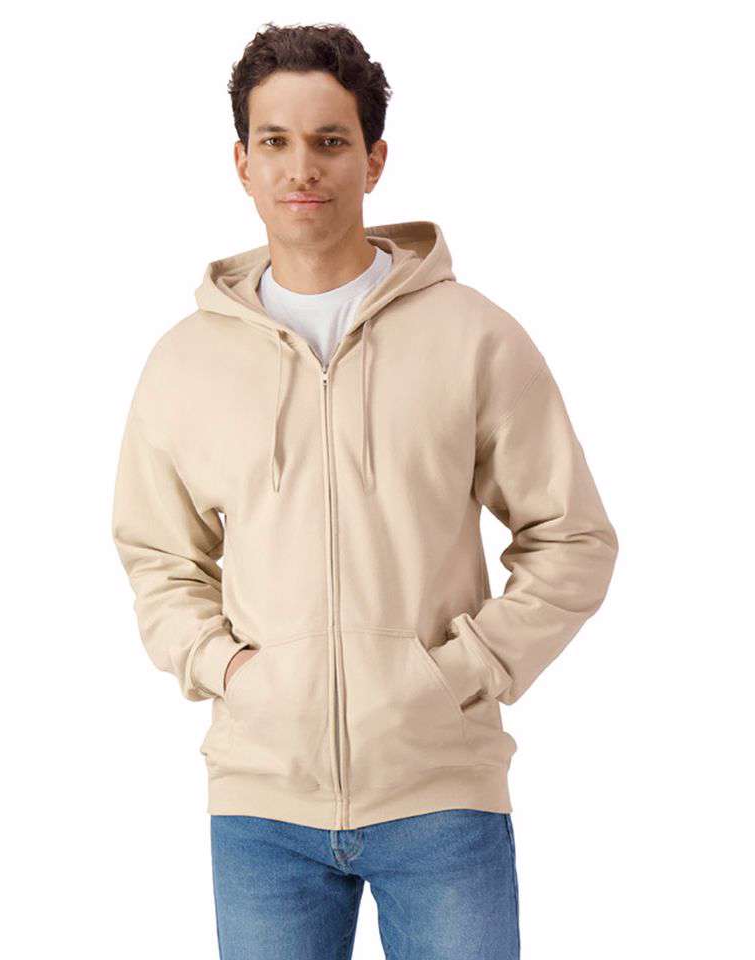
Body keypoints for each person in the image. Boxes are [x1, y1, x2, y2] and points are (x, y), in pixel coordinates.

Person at [111, 21, 619, 960]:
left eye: (330, 141)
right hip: (262, 807)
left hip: (441, 797)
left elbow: (572, 538)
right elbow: (158, 556)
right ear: (242, 162)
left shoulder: (474, 337)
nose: (302, 168)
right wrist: (228, 671)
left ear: (375, 159)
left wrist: (458, 674)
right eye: (275, 141)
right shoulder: (185, 363)